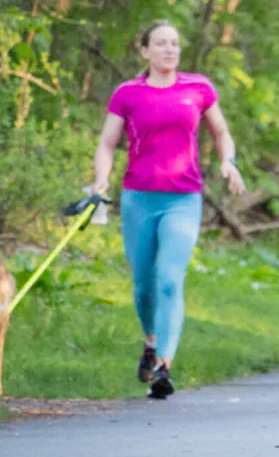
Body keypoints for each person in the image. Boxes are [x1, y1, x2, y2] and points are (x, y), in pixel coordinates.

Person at [89, 21, 246, 398]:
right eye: (160, 43)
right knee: (144, 285)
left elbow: (221, 132)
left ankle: (163, 366)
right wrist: (100, 180)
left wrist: (228, 161)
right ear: (144, 51)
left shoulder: (198, 88)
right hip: (139, 199)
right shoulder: (128, 93)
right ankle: (151, 340)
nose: (169, 49)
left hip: (183, 198)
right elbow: (107, 143)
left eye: (174, 43)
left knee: (169, 280)